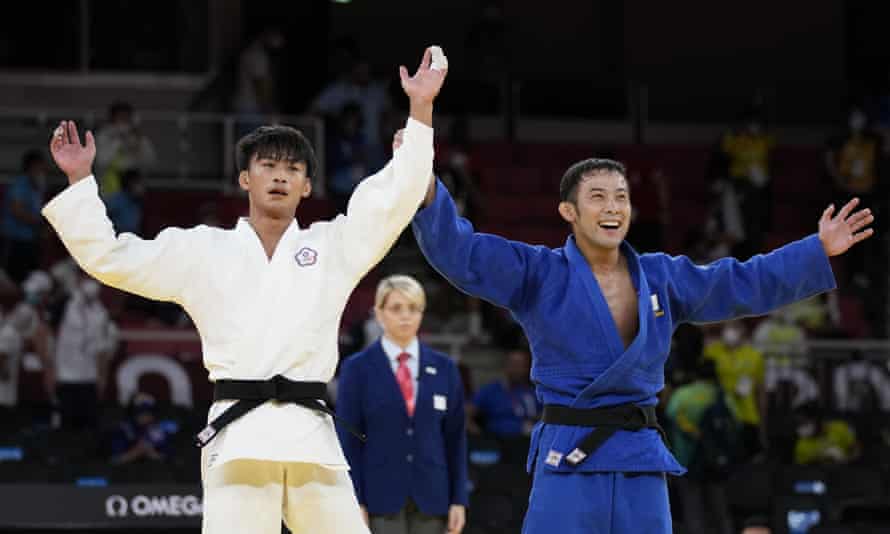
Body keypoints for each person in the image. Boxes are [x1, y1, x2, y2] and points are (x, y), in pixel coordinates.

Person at [43, 46, 447, 534]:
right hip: (238, 436)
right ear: (244, 178)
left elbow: (389, 201)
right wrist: (80, 179)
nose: (280, 175)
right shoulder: (202, 250)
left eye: (293, 169)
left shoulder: (334, 246)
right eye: (268, 165)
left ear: (305, 186)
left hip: (311, 437)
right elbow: (110, 257)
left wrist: (421, 109)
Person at [409, 153, 874, 533]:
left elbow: (740, 283)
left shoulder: (660, 275)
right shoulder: (539, 273)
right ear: (568, 211)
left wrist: (814, 251)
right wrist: (426, 186)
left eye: (621, 197)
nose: (613, 207)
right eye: (597, 197)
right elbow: (462, 255)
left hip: (640, 457)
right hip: (569, 453)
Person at [336, 275, 468, 534]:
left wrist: (459, 500)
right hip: (379, 499)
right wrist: (354, 500)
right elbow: (347, 441)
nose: (405, 316)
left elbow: (455, 439)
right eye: (396, 308)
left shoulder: (445, 368)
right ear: (379, 313)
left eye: (413, 308)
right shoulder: (357, 369)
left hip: (433, 497)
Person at [54, 274, 119, 430]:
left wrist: (101, 379)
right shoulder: (66, 306)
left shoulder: (100, 315)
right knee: (66, 426)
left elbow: (102, 351)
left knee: (89, 426)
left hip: (88, 378)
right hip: (65, 377)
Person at [469, 348, 539, 439]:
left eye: (520, 365)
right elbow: (466, 415)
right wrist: (480, 438)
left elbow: (545, 416)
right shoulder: (490, 391)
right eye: (513, 364)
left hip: (527, 443)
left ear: (527, 368)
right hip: (498, 443)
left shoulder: (534, 392)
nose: (516, 369)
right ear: (505, 366)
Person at [1, 149, 48, 283]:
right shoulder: (20, 185)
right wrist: (40, 222)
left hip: (31, 239)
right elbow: (17, 211)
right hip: (15, 239)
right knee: (15, 277)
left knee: (32, 278)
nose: (42, 170)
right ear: (31, 167)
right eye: (40, 166)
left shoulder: (38, 186)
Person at [110, 392, 173, 464]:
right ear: (133, 413)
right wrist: (136, 452)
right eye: (141, 412)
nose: (145, 416)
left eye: (148, 412)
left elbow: (169, 457)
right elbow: (114, 460)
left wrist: (154, 454)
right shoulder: (122, 430)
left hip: (154, 470)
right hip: (127, 470)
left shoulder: (159, 430)